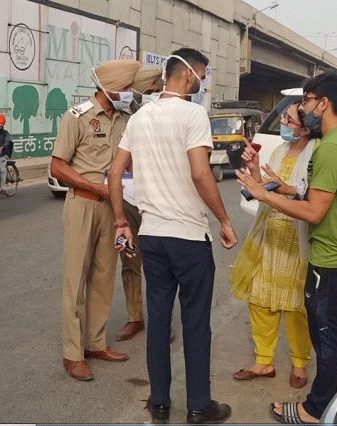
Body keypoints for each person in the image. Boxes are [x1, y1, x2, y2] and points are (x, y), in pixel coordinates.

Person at [237, 70, 337, 424]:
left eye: (307, 101)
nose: (303, 108)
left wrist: (259, 194)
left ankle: (315, 409)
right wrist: (286, 189)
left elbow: (315, 212)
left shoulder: (330, 147)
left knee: (327, 336)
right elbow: (328, 196)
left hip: (332, 257)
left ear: (324, 103)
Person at [108, 48, 237, 424]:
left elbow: (115, 173)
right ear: (191, 74)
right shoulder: (194, 114)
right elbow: (201, 174)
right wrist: (225, 219)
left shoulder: (140, 117)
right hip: (188, 236)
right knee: (196, 322)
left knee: (159, 320)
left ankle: (160, 402)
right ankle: (199, 405)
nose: (203, 82)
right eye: (204, 75)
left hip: (152, 235)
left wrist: (120, 221)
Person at [51, 58, 142, 381]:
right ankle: (73, 353)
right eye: (126, 88)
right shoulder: (78, 117)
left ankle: (95, 342)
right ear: (111, 88)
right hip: (83, 204)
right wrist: (96, 186)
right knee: (75, 281)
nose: (130, 93)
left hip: (113, 209)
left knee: (104, 278)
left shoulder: (126, 120)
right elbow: (57, 167)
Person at [230, 101, 315, 389]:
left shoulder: (316, 153)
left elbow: (312, 196)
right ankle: (264, 361)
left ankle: (300, 364)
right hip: (270, 233)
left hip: (296, 238)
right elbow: (264, 187)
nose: (283, 123)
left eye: (289, 120)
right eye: (283, 117)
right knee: (260, 298)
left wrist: (284, 188)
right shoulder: (279, 151)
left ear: (305, 127)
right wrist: (254, 171)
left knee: (295, 307)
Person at [115, 65, 164, 342]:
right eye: (152, 90)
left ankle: (161, 320)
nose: (155, 95)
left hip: (155, 200)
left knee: (159, 265)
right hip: (127, 198)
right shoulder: (121, 118)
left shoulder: (161, 117)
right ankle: (135, 317)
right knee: (130, 260)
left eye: (157, 90)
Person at [0, 113, 17, 188]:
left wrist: (2, 147)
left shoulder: (6, 133)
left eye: (1, 123)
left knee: (2, 170)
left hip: (4, 153)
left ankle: (3, 188)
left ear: (3, 123)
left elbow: (7, 142)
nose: (0, 125)